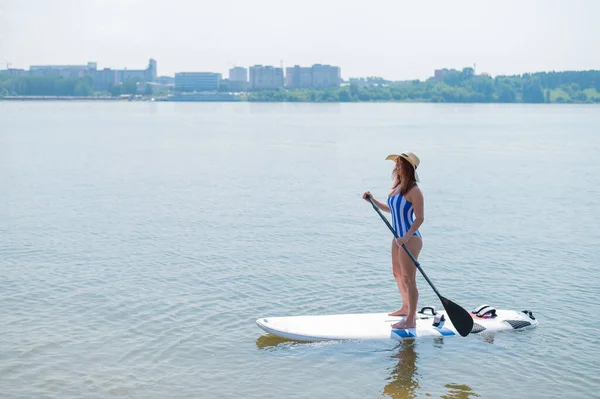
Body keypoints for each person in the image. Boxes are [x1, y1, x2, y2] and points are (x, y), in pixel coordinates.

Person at [363, 152, 424, 329]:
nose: (396, 166)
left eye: (399, 163)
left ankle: (411, 319)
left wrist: (406, 236)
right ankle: (405, 308)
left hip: (410, 238)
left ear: (407, 167)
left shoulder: (415, 191)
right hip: (397, 238)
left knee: (409, 278)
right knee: (397, 274)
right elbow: (392, 209)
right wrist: (373, 201)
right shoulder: (397, 187)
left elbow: (419, 218)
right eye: (396, 163)